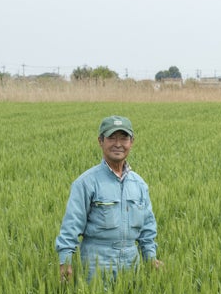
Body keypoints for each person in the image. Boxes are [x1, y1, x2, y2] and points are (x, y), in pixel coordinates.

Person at [56, 115, 162, 281]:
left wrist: (150, 257)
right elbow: (71, 225)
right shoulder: (86, 183)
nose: (118, 144)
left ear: (131, 142)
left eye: (124, 138)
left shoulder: (139, 184)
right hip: (95, 265)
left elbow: (147, 227)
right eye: (111, 138)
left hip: (131, 265)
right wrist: (65, 262)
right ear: (100, 141)